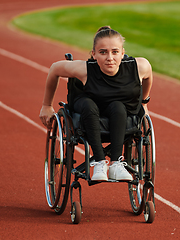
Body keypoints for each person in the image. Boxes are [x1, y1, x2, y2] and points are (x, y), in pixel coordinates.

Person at [39, 26, 153, 181]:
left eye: (115, 52)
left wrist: (144, 103)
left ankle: (115, 164)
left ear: (122, 53)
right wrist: (46, 106)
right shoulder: (85, 69)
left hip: (117, 109)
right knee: (89, 106)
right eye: (103, 52)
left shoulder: (138, 67)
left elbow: (148, 76)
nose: (110, 58)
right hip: (87, 105)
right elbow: (54, 69)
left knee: (119, 106)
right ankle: (99, 162)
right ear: (94, 54)